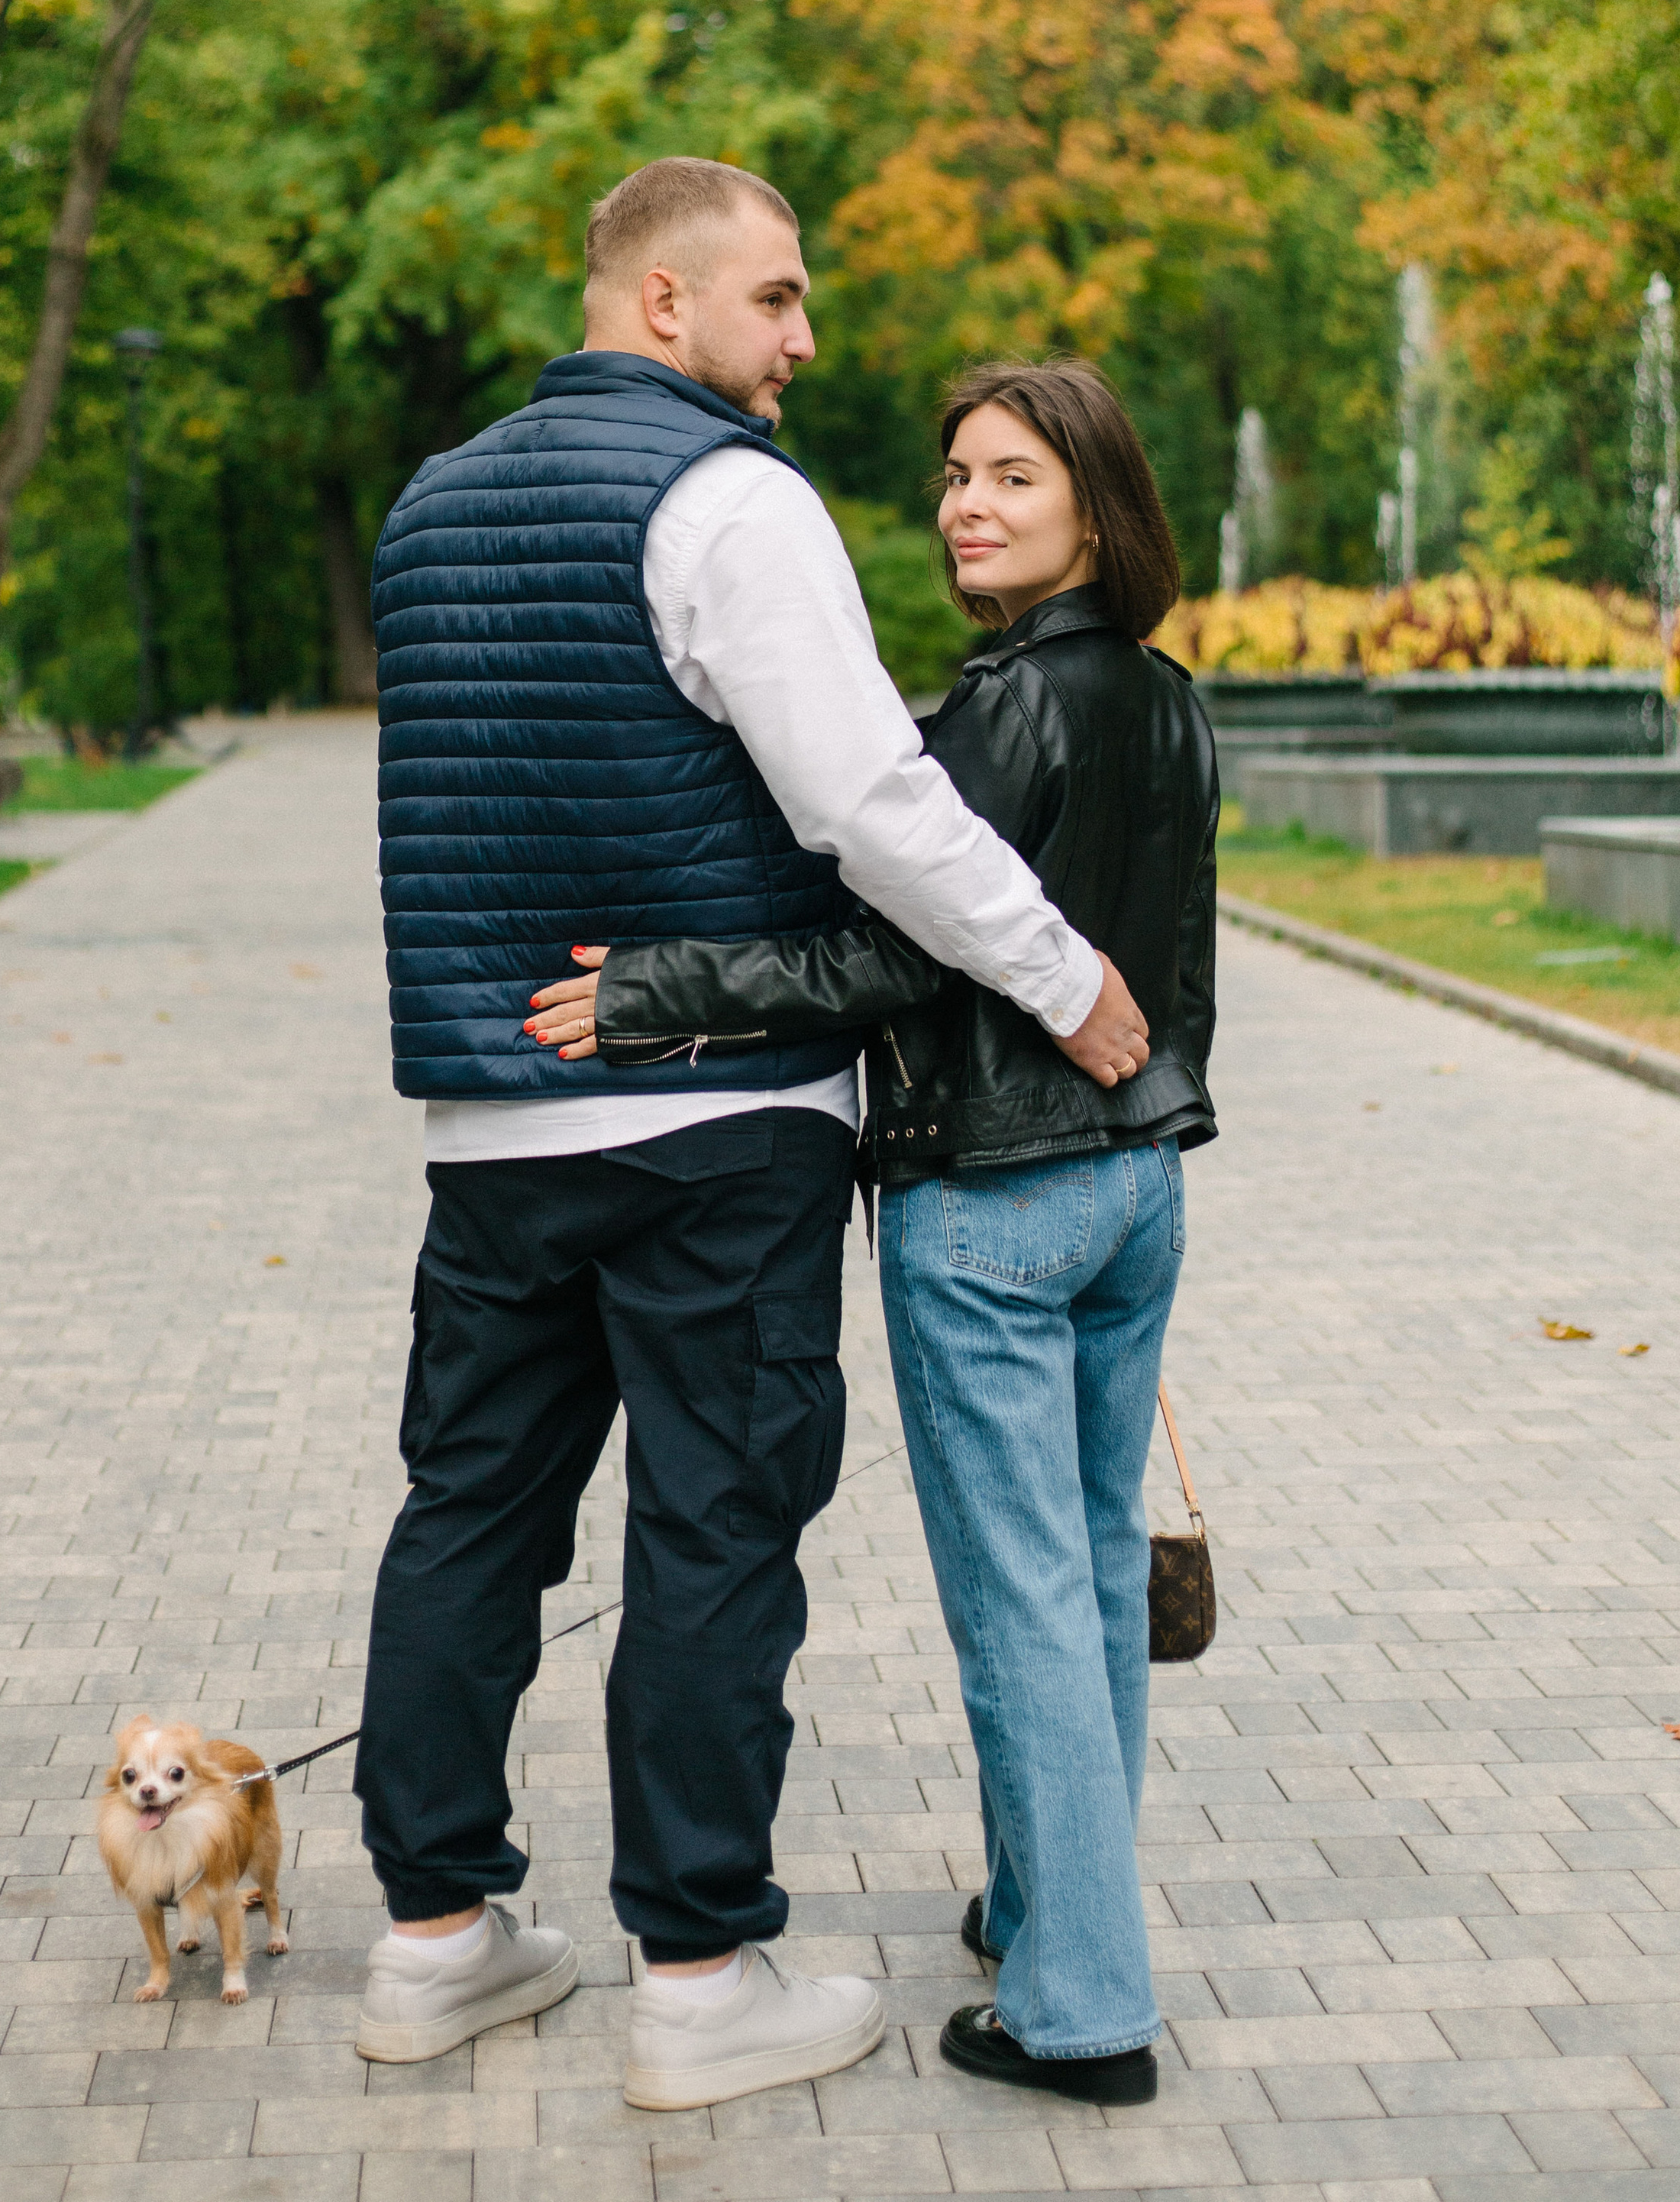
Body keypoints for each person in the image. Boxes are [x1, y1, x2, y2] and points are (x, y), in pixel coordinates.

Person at [354, 162, 1153, 2107]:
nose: (802, 342)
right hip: (717, 1125)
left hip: (489, 1123)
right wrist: (1059, 973)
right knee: (714, 1531)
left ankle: (433, 1941)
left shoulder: (427, 503)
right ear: (661, 302)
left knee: (467, 1511)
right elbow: (867, 798)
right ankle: (701, 1978)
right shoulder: (727, 497)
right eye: (776, 300)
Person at [528, 356, 1220, 2110]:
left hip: (990, 1201)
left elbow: (886, 959)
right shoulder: (1163, 697)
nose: (967, 504)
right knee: (1080, 1573)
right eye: (953, 474)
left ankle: (1076, 2011)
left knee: (1027, 1611)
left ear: (1093, 507)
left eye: (1012, 477)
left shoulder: (1001, 711)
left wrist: (656, 991)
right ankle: (1043, 1905)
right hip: (1135, 1188)